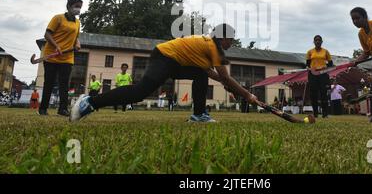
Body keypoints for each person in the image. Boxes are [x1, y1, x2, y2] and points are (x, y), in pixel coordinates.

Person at [70, 24, 261, 123]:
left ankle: (198, 115)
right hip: (164, 57)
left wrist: (230, 87)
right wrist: (247, 94)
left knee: (200, 75)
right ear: (222, 37)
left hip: (174, 61)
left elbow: (210, 73)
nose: (232, 44)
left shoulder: (208, 46)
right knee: (140, 93)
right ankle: (90, 102)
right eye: (231, 40)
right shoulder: (213, 47)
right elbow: (225, 76)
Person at [38, 0, 82, 117]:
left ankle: (62, 109)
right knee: (49, 82)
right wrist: (56, 46)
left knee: (64, 84)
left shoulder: (78, 22)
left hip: (67, 57)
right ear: (69, 6)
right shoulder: (58, 18)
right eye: (76, 6)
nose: (78, 9)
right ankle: (43, 108)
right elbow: (47, 34)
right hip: (52, 55)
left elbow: (76, 37)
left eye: (79, 7)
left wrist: (77, 43)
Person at [306, 35, 333, 118]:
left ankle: (325, 114)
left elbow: (330, 63)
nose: (317, 41)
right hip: (313, 74)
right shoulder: (310, 52)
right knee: (313, 93)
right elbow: (307, 64)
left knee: (323, 93)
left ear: (321, 42)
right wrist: (309, 68)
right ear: (314, 42)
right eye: (316, 40)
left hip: (323, 74)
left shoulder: (326, 52)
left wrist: (326, 67)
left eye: (319, 40)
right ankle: (315, 113)